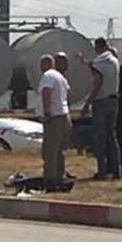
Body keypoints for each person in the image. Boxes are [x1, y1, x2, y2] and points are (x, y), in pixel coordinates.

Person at [82, 37, 121, 180]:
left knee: (100, 138)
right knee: (112, 136)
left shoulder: (100, 61)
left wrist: (87, 104)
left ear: (98, 47)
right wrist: (85, 62)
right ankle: (116, 170)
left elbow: (97, 83)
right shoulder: (114, 61)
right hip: (114, 100)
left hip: (101, 101)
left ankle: (102, 170)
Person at [39, 54, 72, 188]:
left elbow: (47, 92)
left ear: (46, 64)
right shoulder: (61, 77)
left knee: (49, 150)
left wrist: (47, 112)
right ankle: (59, 175)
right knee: (59, 150)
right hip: (64, 115)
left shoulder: (48, 76)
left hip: (55, 116)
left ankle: (50, 178)